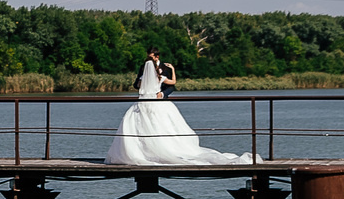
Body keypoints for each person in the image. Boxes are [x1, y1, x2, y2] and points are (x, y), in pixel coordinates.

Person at [105, 53, 254, 165]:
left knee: (139, 127)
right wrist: (173, 69)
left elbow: (137, 86)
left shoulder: (142, 79)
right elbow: (174, 81)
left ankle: (143, 152)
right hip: (157, 104)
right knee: (162, 127)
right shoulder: (161, 77)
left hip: (142, 103)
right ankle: (157, 150)